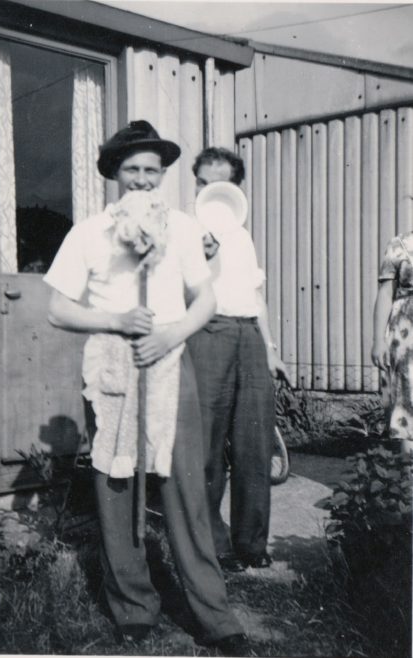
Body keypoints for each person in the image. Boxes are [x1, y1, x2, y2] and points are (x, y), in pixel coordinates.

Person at [43, 122, 247, 654]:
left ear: (162, 176)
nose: (141, 179)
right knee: (118, 488)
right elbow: (59, 309)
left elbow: (204, 298)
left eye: (151, 171)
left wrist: (171, 333)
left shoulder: (180, 228)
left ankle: (215, 615)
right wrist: (115, 320)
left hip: (169, 362)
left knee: (184, 490)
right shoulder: (89, 232)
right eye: (131, 169)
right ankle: (134, 606)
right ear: (114, 173)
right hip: (113, 368)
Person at [188, 147, 289, 573]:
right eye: (204, 182)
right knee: (208, 443)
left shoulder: (242, 234)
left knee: (254, 442)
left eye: (221, 183)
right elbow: (180, 294)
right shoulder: (185, 230)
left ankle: (251, 545)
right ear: (195, 184)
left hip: (248, 333)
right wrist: (201, 254)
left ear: (236, 187)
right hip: (210, 331)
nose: (212, 190)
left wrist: (270, 349)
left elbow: (256, 296)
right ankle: (213, 543)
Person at [372, 231, 413, 447]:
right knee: (406, 399)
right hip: (406, 337)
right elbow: (385, 294)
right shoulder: (399, 245)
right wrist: (378, 340)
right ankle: (408, 474)